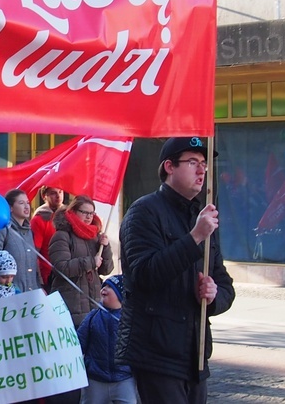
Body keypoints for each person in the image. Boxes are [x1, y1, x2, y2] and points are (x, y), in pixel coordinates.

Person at [116, 137, 235, 404]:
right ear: (169, 167)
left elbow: (224, 282)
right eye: (192, 162)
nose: (202, 170)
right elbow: (143, 274)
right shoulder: (144, 212)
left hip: (195, 353)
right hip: (157, 352)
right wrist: (194, 238)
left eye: (204, 163)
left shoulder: (202, 216)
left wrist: (214, 295)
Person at [49, 195, 114, 327]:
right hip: (71, 305)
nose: (89, 217)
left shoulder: (95, 236)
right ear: (73, 212)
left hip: (93, 305)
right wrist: (90, 262)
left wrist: (105, 247)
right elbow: (62, 267)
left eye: (91, 213)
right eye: (84, 212)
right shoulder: (62, 235)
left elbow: (106, 269)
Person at [77, 275, 137, 404]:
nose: (104, 289)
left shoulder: (131, 320)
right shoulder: (92, 317)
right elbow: (77, 344)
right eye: (104, 285)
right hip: (95, 380)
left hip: (124, 380)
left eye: (111, 287)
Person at [0, 189, 41, 293]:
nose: (26, 207)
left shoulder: (30, 232)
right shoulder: (1, 230)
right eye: (21, 203)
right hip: (10, 297)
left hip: (31, 295)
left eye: (27, 203)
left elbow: (33, 267)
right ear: (10, 208)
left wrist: (39, 288)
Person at [31, 186, 64, 287]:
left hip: (69, 273)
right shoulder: (39, 220)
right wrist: (39, 280)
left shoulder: (70, 216)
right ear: (44, 196)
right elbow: (34, 253)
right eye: (53, 193)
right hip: (48, 275)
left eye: (60, 192)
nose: (58, 196)